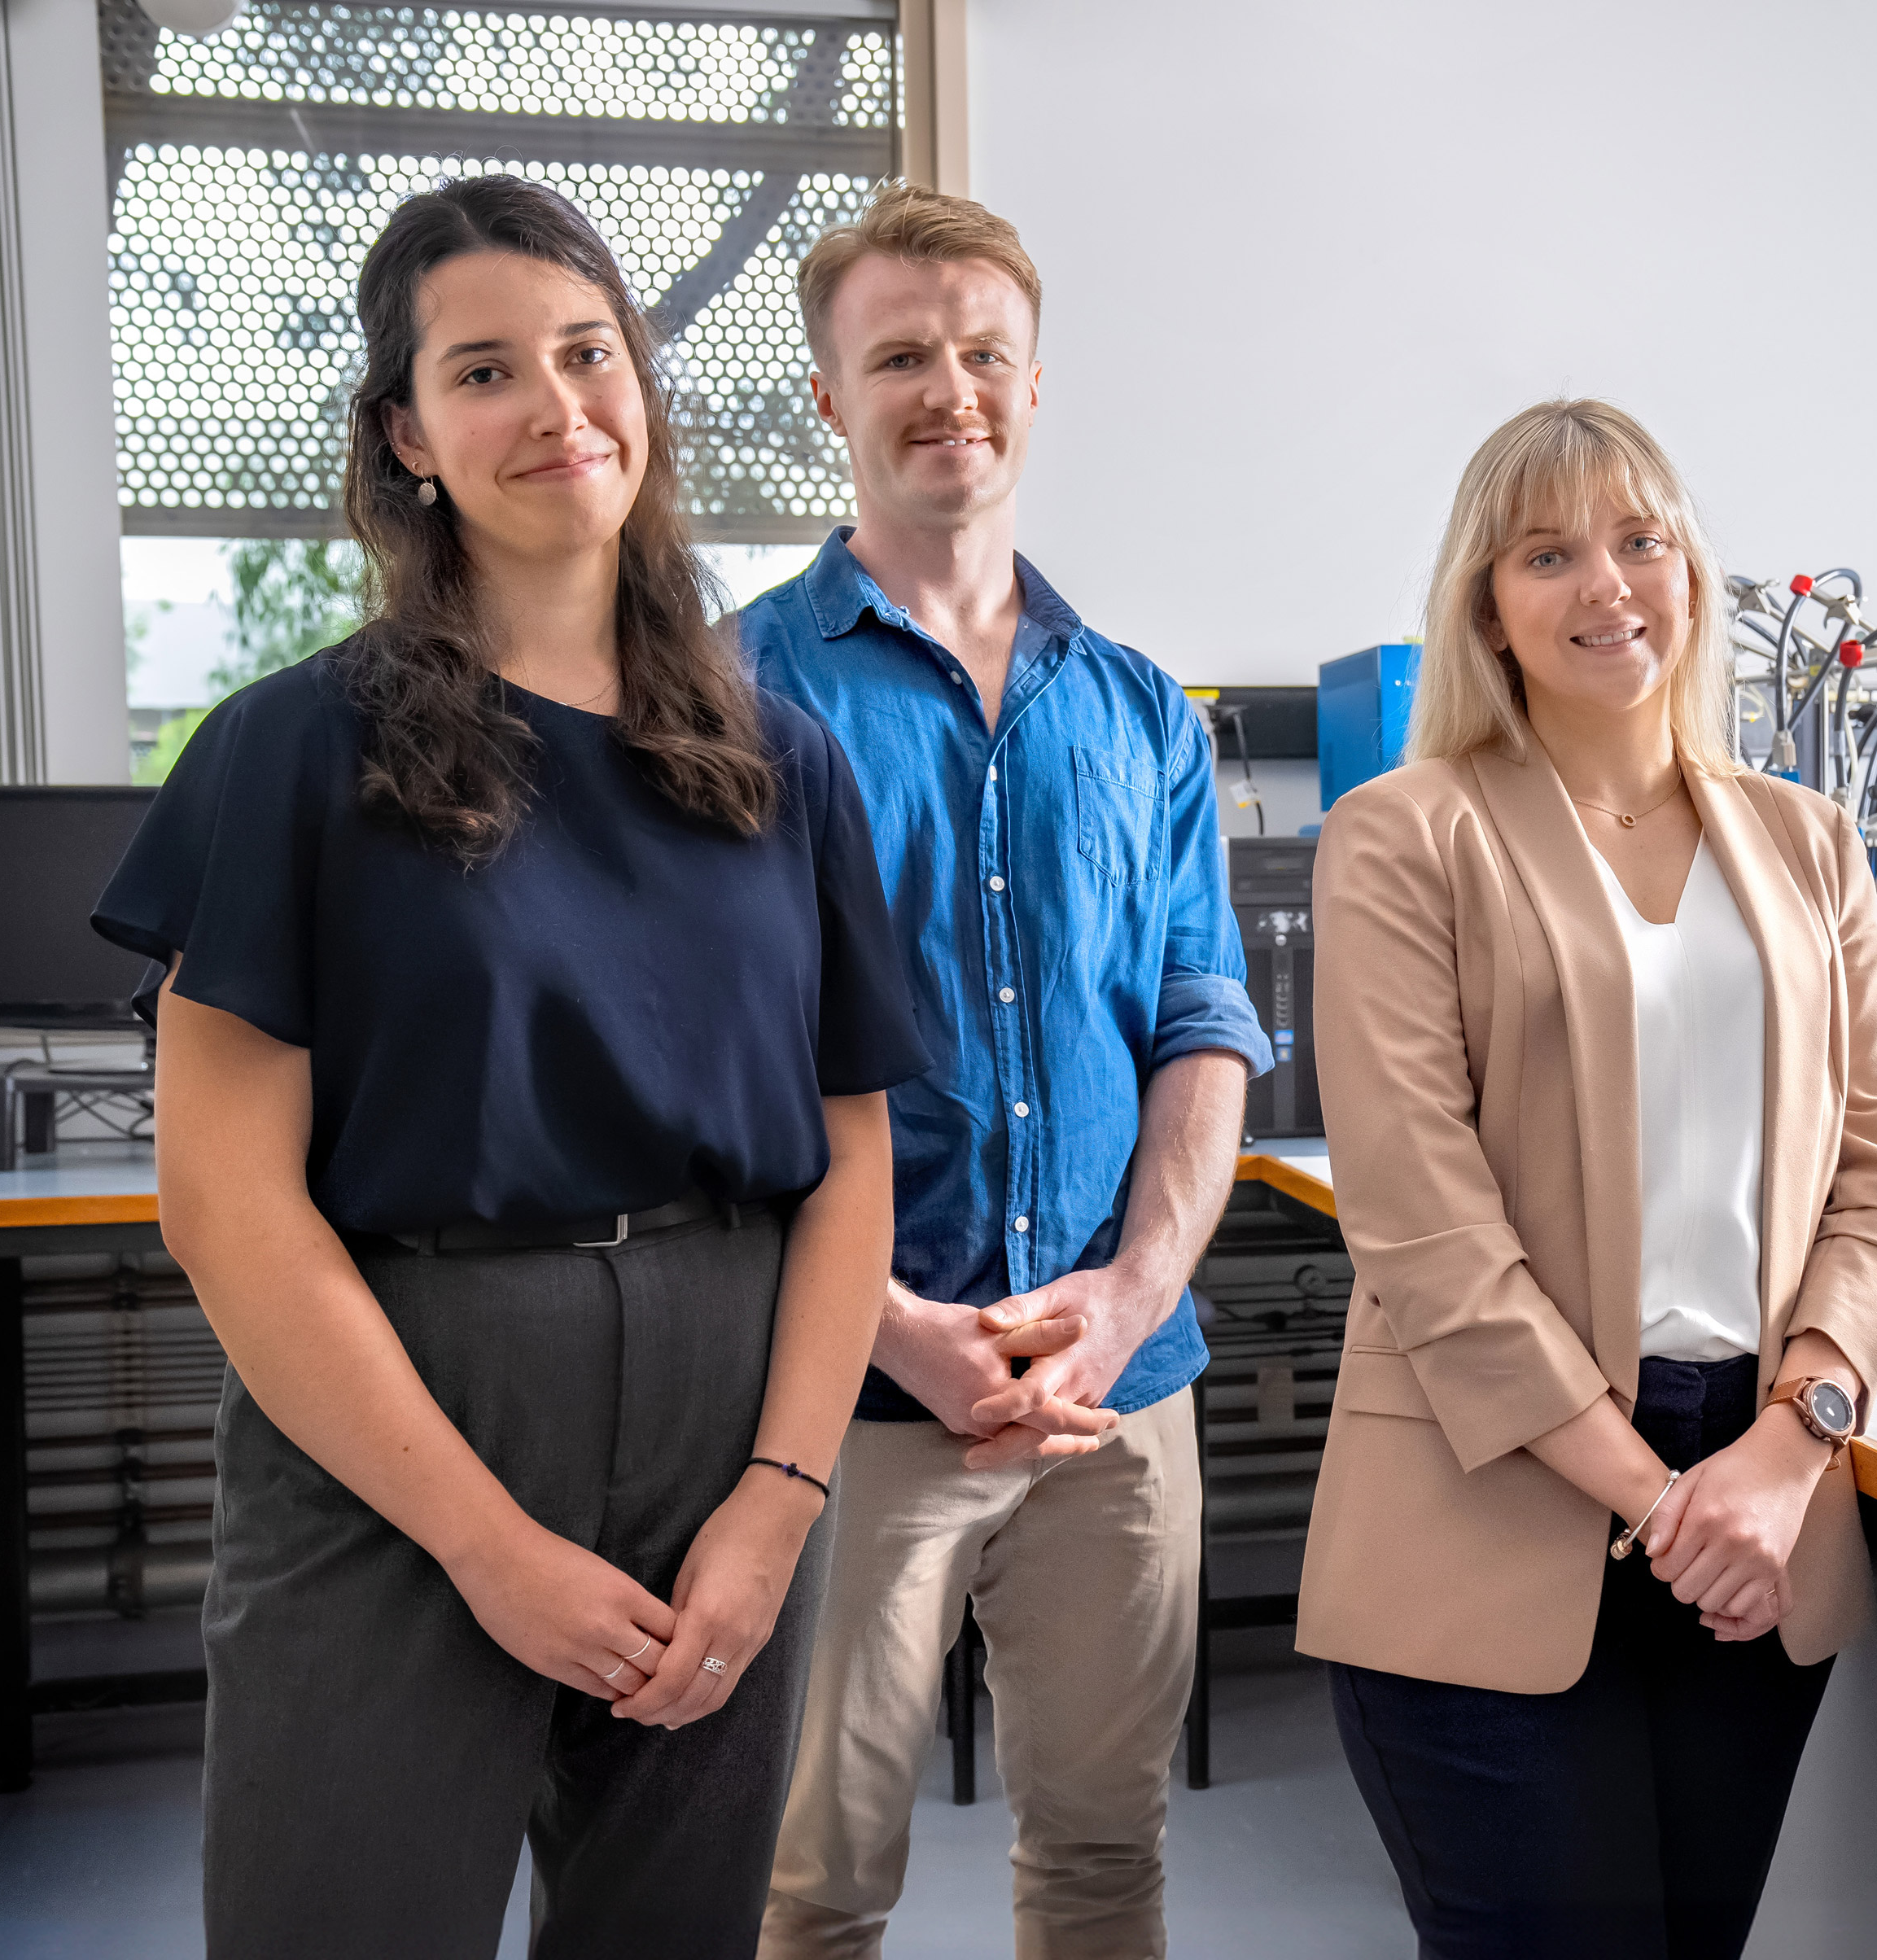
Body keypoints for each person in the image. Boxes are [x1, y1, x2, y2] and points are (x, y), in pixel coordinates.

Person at [91, 176, 925, 1959]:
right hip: (403, 1427)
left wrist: (779, 1507)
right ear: (404, 432)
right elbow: (223, 1201)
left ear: (642, 383)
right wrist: (483, 1539)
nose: (556, 408)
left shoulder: (785, 765)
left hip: (729, 1419)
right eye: (483, 371)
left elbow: (850, 1163)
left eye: (587, 351)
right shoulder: (284, 754)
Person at [1295, 399, 1877, 1958]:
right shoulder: (1405, 837)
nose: (1608, 586)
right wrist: (1664, 1504)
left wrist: (1791, 1448)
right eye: (1550, 552)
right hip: (1497, 1495)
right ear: (1487, 609)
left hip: (1758, 1501)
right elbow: (1423, 1228)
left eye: (1642, 540)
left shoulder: (1808, 846)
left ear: (1696, 577)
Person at [742, 184, 1273, 1959]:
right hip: (851, 1396)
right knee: (809, 1884)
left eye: (982, 354)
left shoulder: (1137, 711)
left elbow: (1203, 1024)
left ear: (1037, 385)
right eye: (899, 354)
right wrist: (892, 1321)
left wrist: (1128, 1301)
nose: (945, 388)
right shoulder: (729, 697)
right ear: (828, 395)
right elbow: (705, 1075)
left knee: (1105, 1861)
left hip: (1117, 1397)